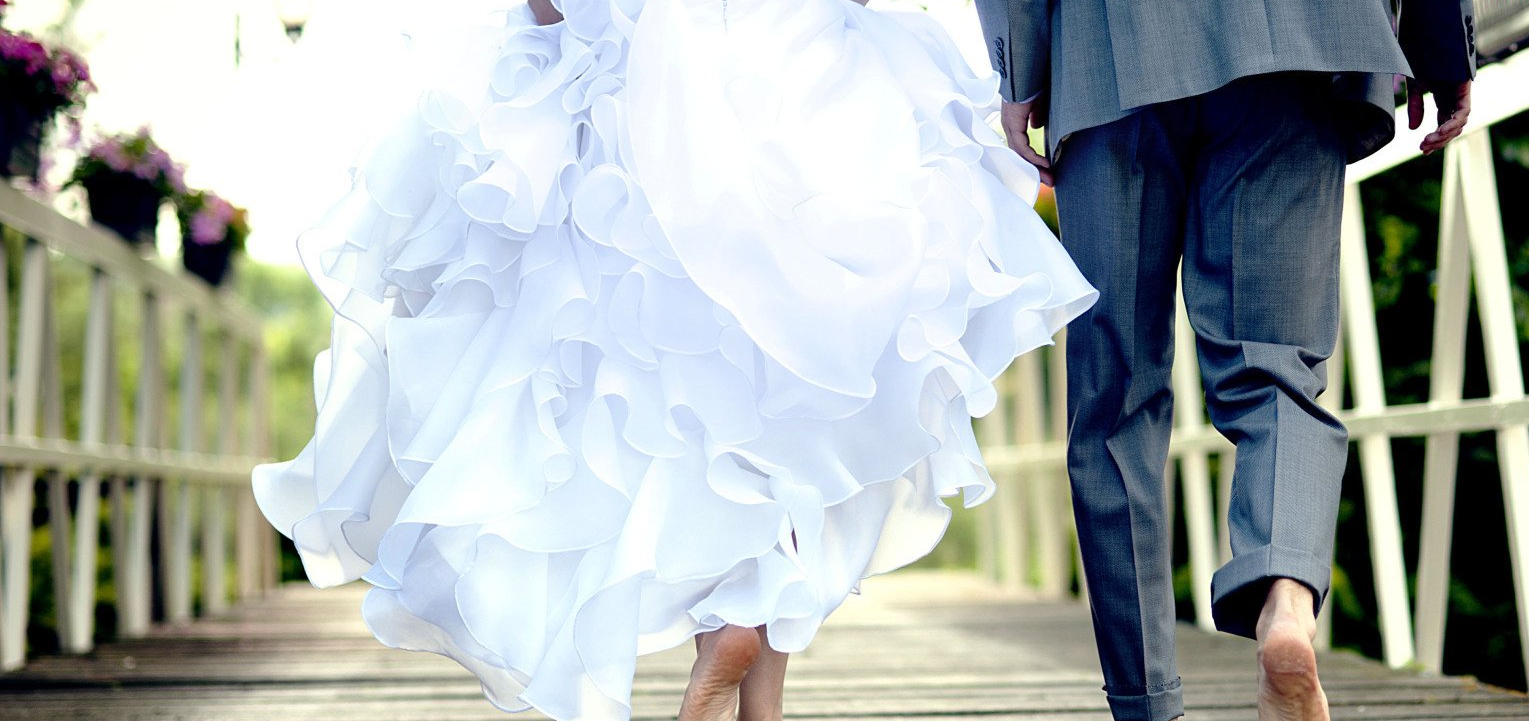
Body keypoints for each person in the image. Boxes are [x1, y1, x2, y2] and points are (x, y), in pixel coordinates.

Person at [251, 0, 1096, 719]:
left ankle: (739, 640)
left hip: (646, 66)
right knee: (798, 385)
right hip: (801, 52)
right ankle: (757, 669)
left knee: (690, 397)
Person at [971, 0, 1476, 719]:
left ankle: (1148, 703)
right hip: (1298, 40)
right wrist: (1440, 42)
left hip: (1109, 49)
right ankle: (1286, 604)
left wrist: (1021, 65)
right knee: (1277, 368)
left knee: (1116, 392)